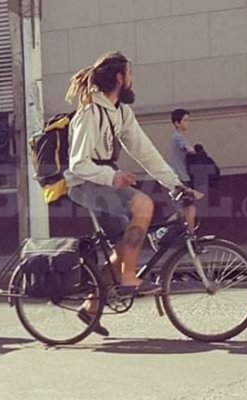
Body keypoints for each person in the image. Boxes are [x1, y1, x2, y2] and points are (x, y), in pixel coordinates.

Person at [64, 51, 200, 335]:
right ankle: (128, 277)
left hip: (103, 183)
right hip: (84, 184)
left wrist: (175, 184)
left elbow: (145, 152)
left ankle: (90, 307)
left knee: (125, 247)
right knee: (143, 204)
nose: (132, 80)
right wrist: (113, 175)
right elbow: (78, 164)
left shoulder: (121, 112)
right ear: (120, 78)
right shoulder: (90, 112)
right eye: (130, 75)